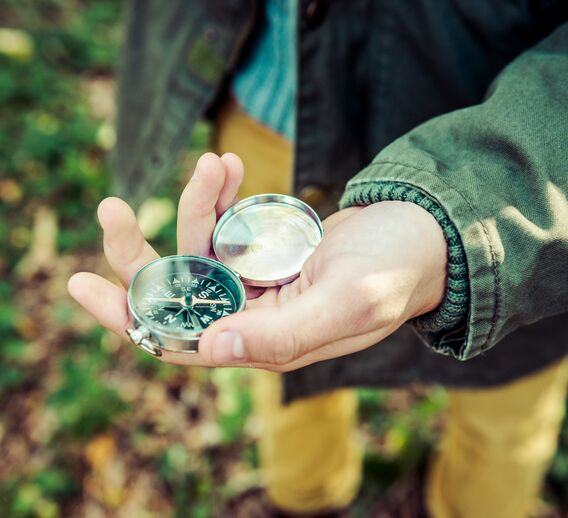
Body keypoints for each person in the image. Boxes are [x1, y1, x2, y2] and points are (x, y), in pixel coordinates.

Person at [68, 1, 568, 516]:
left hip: (507, 162)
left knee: (507, 394)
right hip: (271, 115)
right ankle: (306, 501)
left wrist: (476, 206)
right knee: (287, 374)